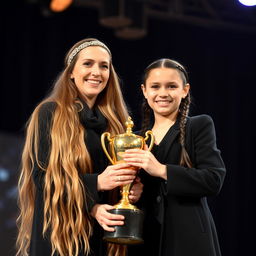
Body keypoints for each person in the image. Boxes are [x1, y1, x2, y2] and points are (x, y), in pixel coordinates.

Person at [16, 38, 143, 256]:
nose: (97, 72)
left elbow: (119, 180)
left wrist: (130, 191)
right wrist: (98, 184)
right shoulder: (50, 113)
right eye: (88, 63)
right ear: (71, 73)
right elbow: (43, 179)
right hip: (60, 237)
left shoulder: (118, 123)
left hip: (103, 236)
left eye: (104, 66)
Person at [124, 58, 226, 256]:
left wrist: (162, 170)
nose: (163, 93)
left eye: (171, 86)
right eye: (155, 86)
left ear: (185, 90)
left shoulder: (199, 125)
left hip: (189, 239)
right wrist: (133, 194)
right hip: (145, 238)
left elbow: (213, 179)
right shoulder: (134, 139)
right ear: (144, 91)